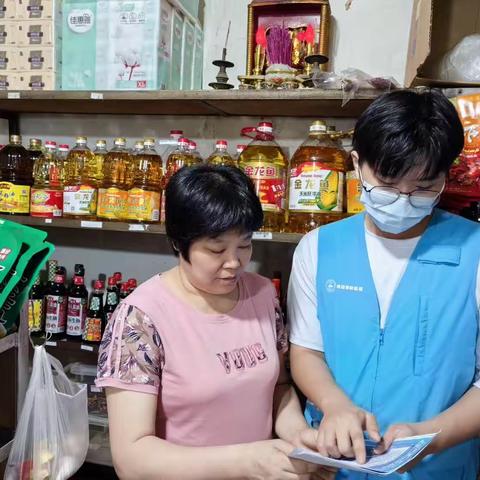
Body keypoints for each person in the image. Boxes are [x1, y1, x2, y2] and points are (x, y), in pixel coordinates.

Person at [96, 164, 334, 480]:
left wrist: (299, 438)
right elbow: (131, 459)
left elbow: (277, 388)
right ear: (179, 243)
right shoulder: (140, 319)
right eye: (216, 249)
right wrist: (248, 461)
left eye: (245, 244)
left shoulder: (262, 294)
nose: (234, 262)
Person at [288, 89, 480, 479]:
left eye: (424, 186)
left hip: (438, 467)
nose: (404, 200)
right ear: (357, 164)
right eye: (389, 184)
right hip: (335, 466)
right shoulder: (319, 248)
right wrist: (334, 404)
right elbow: (307, 350)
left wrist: (428, 437)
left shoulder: (474, 251)